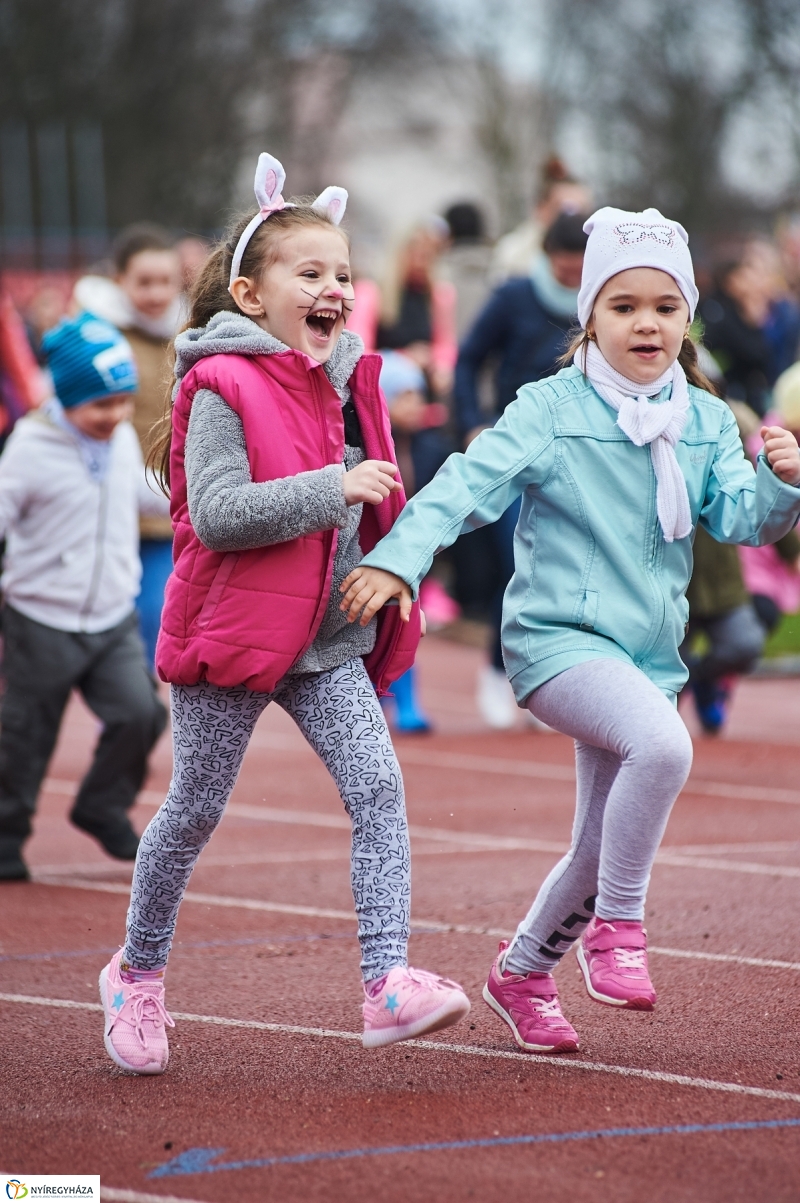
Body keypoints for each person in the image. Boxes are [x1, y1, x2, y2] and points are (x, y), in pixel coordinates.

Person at [340, 206, 800, 1053]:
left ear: (687, 316)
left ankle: (520, 969)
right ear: (588, 314)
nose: (646, 323)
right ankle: (617, 928)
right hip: (557, 644)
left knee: (598, 844)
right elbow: (461, 486)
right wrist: (399, 560)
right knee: (664, 750)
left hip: (644, 656)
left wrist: (780, 484)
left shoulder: (700, 418)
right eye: (623, 306)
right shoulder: (549, 407)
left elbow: (741, 520)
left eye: (664, 306)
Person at [98, 154, 470, 1076]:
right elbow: (219, 515)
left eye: (342, 273)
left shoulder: (348, 377)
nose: (333, 288)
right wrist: (330, 485)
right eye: (310, 272)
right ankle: (135, 975)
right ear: (250, 293)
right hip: (232, 633)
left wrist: (387, 566)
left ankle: (386, 982)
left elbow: (374, 498)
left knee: (379, 792)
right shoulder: (216, 383)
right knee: (192, 810)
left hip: (325, 639)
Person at [0, 314, 168, 881]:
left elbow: (142, 495)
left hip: (110, 615)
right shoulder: (30, 448)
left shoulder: (118, 440)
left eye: (123, 402)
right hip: (40, 615)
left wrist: (184, 499)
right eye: (101, 406)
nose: (115, 416)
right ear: (67, 398)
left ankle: (101, 803)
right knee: (24, 736)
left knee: (140, 712)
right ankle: (5, 836)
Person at [454, 212, 588, 727]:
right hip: (513, 449)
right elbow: (468, 360)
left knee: (564, 568)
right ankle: (495, 668)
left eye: (579, 263)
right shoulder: (514, 296)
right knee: (518, 562)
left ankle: (543, 678)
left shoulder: (602, 300)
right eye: (562, 261)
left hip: (576, 454)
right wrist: (472, 424)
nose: (570, 272)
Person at [74, 224, 183, 666]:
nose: (156, 293)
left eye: (166, 281)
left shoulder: (189, 336)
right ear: (120, 281)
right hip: (107, 503)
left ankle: (132, 703)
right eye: (144, 281)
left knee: (159, 614)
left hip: (167, 506)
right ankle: (118, 702)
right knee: (112, 616)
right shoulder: (97, 336)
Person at [489, 155, 592, 284]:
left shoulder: (600, 255)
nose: (573, 217)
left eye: (581, 209)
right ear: (540, 208)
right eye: (564, 209)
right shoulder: (513, 254)